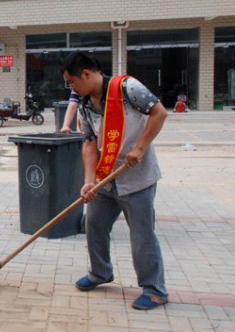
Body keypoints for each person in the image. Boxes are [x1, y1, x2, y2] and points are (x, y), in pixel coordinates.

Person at [61, 52, 169, 310]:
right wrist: (89, 181)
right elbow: (89, 144)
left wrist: (140, 148)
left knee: (142, 235)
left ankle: (155, 290)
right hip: (105, 178)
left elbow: (159, 113)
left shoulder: (127, 88)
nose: (71, 88)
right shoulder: (86, 104)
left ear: (86, 74)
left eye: (71, 82)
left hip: (137, 178)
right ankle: (100, 273)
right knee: (94, 225)